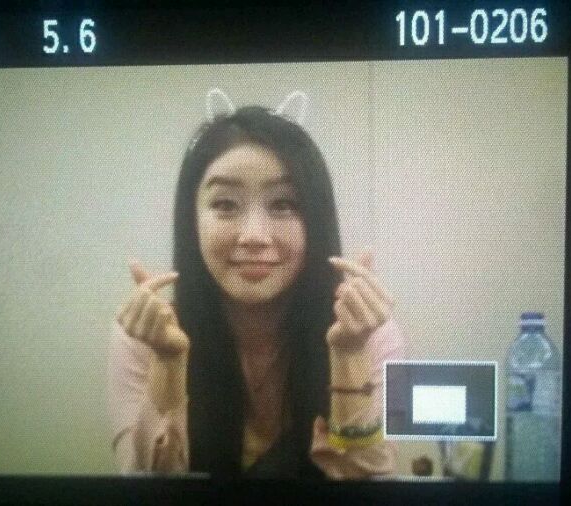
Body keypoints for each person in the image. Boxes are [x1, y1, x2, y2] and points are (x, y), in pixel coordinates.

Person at [107, 100, 404, 479]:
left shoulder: (369, 333)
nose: (254, 236)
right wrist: (167, 364)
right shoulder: (144, 337)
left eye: (283, 204)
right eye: (225, 204)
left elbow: (368, 484)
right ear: (192, 221)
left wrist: (349, 356)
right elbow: (145, 490)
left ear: (315, 220)